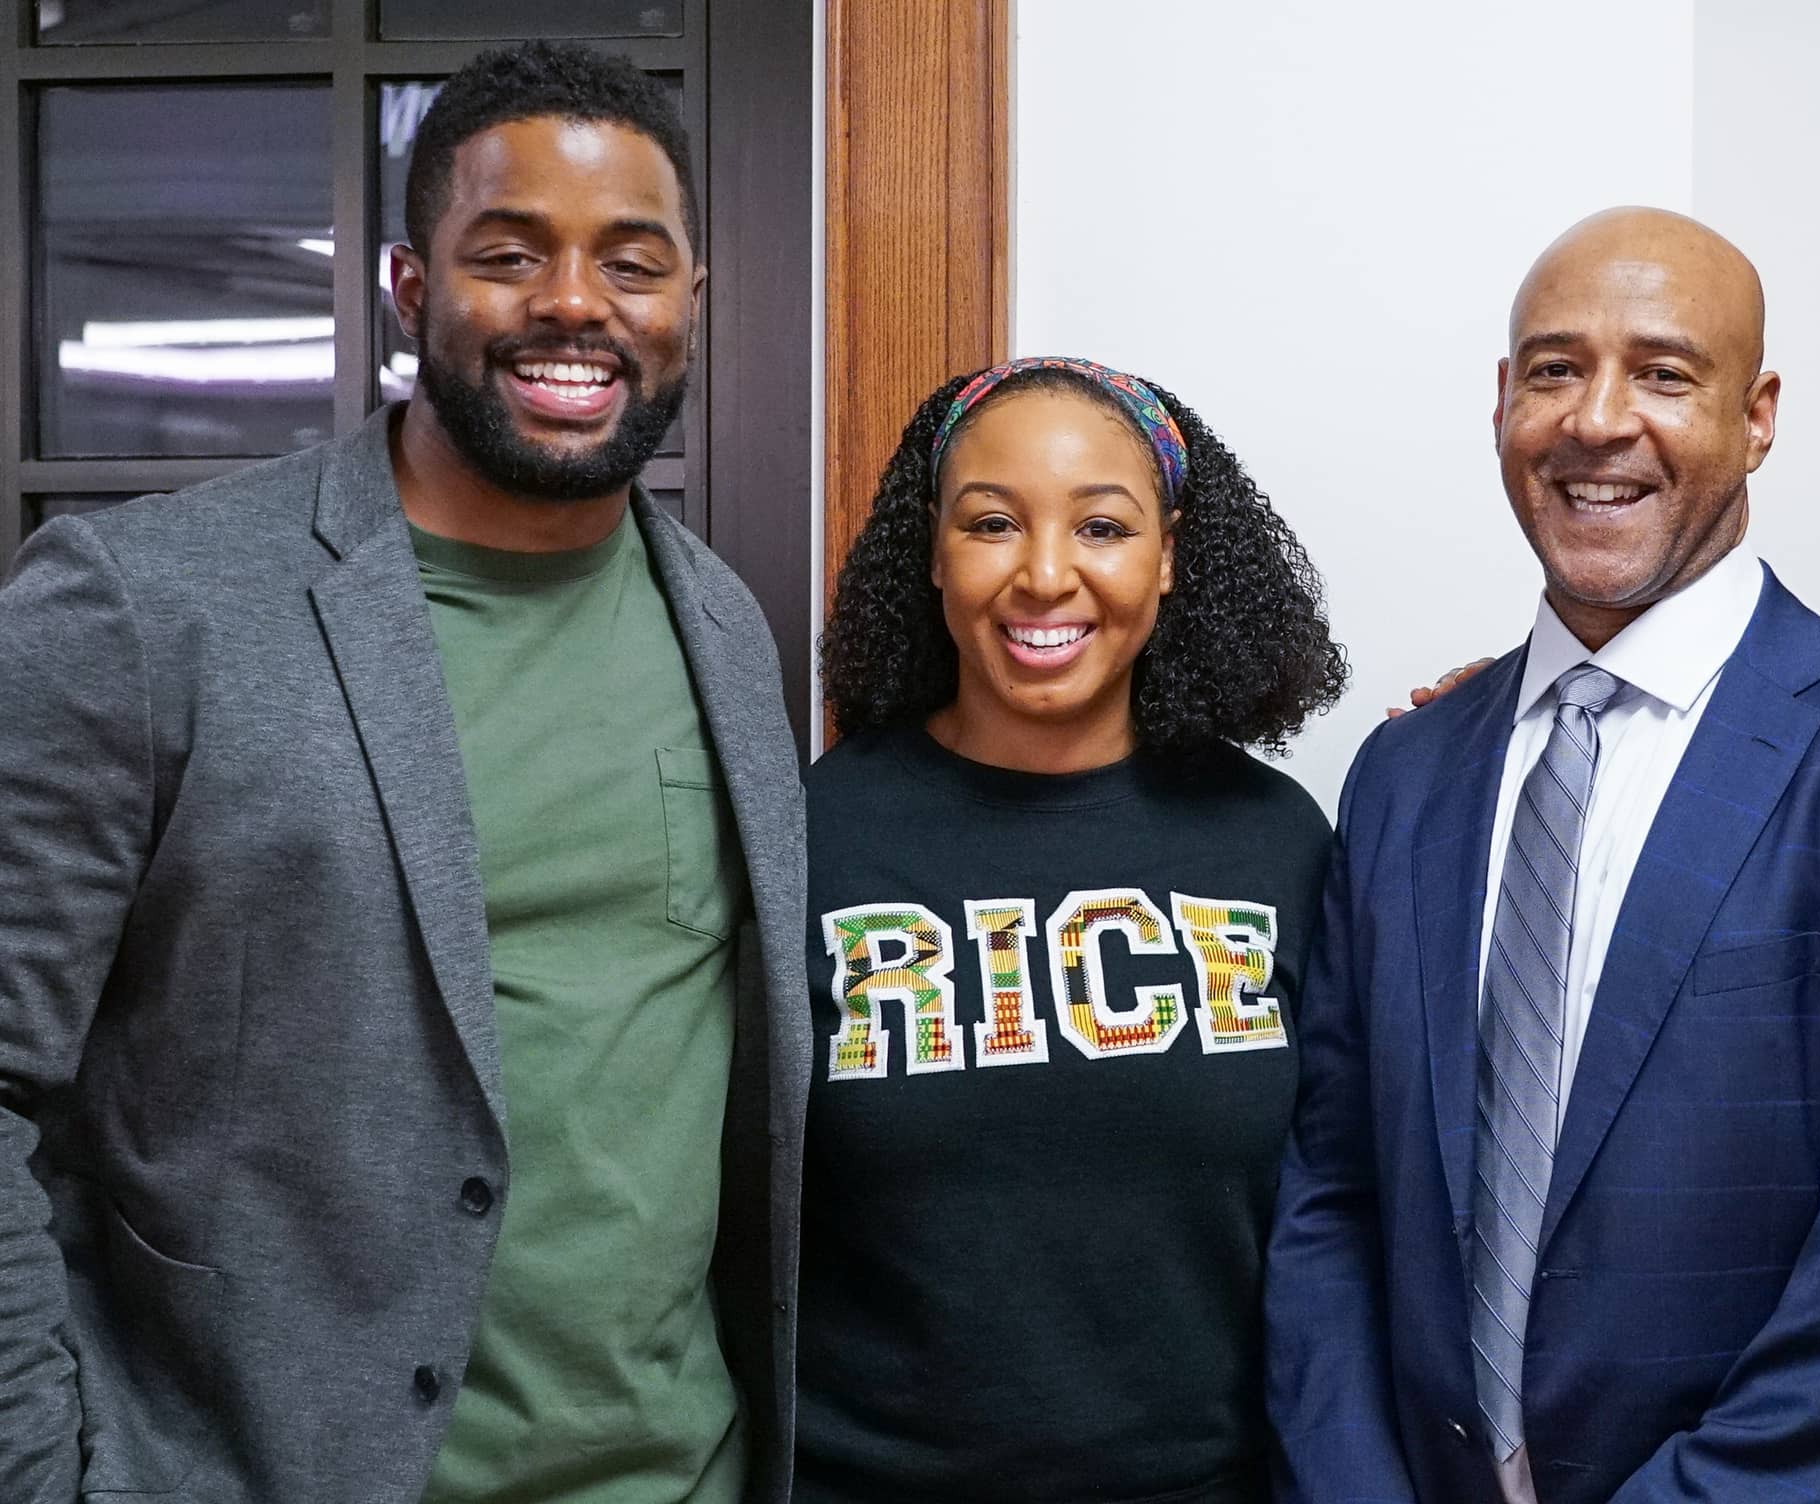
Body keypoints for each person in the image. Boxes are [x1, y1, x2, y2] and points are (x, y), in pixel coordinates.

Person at [0, 41, 808, 1504]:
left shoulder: (729, 633)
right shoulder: (141, 608)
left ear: (691, 303)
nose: (575, 303)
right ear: (410, 288)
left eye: (632, 261)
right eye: (511, 253)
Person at [1262, 205, 1820, 1504]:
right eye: (1553, 370)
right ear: (1500, 404)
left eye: (1663, 373)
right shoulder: (1406, 779)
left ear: (1757, 415)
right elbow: (1331, 1198)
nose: (1597, 419)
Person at [796, 356, 1347, 1504]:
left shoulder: (1274, 842)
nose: (1045, 576)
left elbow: (1351, 1207)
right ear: (934, 556)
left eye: (1102, 526)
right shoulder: (812, 834)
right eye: (991, 523)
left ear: (1169, 557)